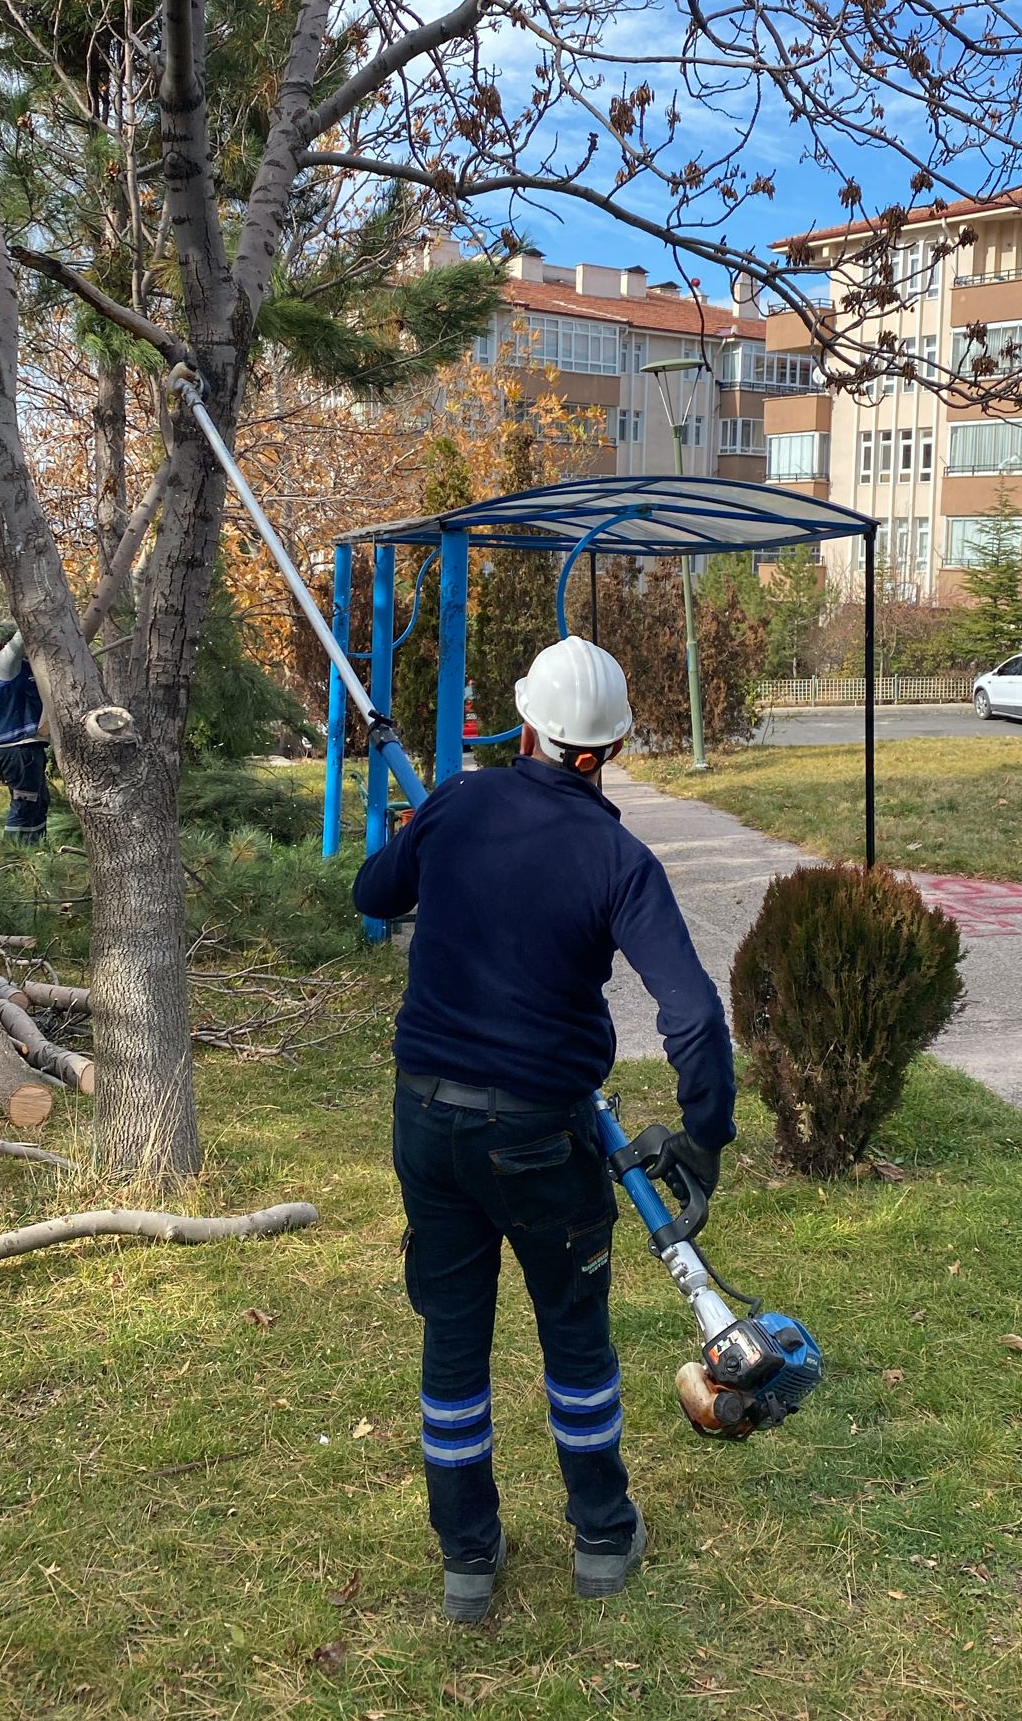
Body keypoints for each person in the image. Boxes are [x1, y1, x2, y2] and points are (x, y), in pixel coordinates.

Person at [353, 635, 736, 1623]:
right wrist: (705, 1138)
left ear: (525, 722)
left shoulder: (459, 801)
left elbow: (372, 893)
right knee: (575, 1339)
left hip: (428, 1123)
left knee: (454, 1343)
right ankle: (603, 1538)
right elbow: (693, 1014)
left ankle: (467, 1562)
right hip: (540, 1135)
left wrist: (424, 822)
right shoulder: (618, 856)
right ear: (606, 749)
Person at [0, 622, 49, 845]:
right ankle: (14, 854)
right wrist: (34, 618)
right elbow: (20, 640)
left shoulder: (23, 665)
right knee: (25, 801)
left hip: (27, 746)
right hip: (16, 747)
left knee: (39, 800)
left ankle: (36, 849)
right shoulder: (4, 663)